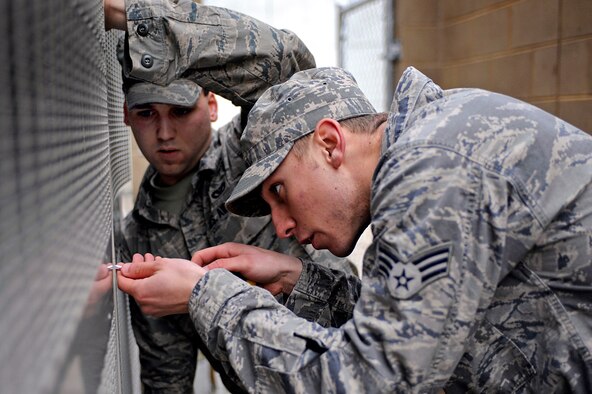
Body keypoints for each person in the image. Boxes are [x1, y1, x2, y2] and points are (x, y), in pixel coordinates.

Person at [116, 63, 592, 393]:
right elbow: (422, 329)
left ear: (329, 143)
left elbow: (371, 379)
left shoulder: (430, 169)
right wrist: (296, 280)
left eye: (279, 191)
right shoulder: (430, 147)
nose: (281, 226)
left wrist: (208, 295)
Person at [106, 1, 359, 392]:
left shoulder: (255, 150)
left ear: (210, 105)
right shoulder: (139, 236)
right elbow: (165, 374)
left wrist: (137, 17)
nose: (164, 132)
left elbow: (285, 65)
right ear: (126, 115)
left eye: (179, 111)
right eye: (147, 114)